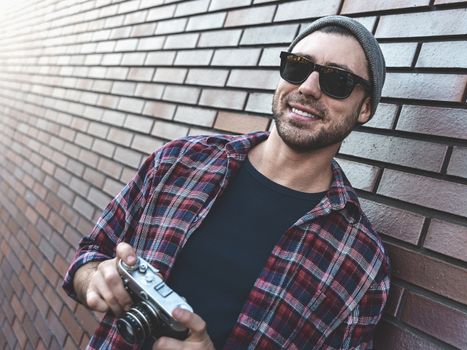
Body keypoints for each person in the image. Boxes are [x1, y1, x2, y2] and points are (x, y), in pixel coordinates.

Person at [63, 15, 390, 350]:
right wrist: (96, 277)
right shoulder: (179, 161)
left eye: (337, 80)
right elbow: (90, 254)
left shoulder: (361, 260)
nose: (307, 87)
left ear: (364, 108)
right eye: (297, 66)